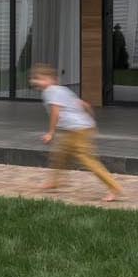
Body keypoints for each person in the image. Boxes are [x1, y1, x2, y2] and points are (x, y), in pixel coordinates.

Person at [31, 63, 122, 201]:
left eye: (41, 78)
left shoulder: (50, 92)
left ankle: (114, 188)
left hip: (77, 130)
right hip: (75, 129)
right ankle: (53, 183)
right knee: (60, 155)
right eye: (35, 78)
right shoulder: (63, 90)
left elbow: (56, 112)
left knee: (88, 160)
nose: (36, 81)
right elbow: (84, 104)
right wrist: (92, 123)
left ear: (52, 79)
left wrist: (51, 132)